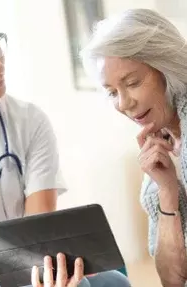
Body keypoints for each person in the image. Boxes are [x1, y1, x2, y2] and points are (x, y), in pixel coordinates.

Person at [0, 1, 130, 287]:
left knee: (114, 283)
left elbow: (39, 231)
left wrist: (15, 245)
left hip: (22, 259)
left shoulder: (29, 121)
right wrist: (5, 243)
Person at [81, 7, 187, 287]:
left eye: (133, 82)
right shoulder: (161, 144)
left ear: (167, 68)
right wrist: (166, 190)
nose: (123, 103)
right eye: (112, 92)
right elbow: (172, 280)